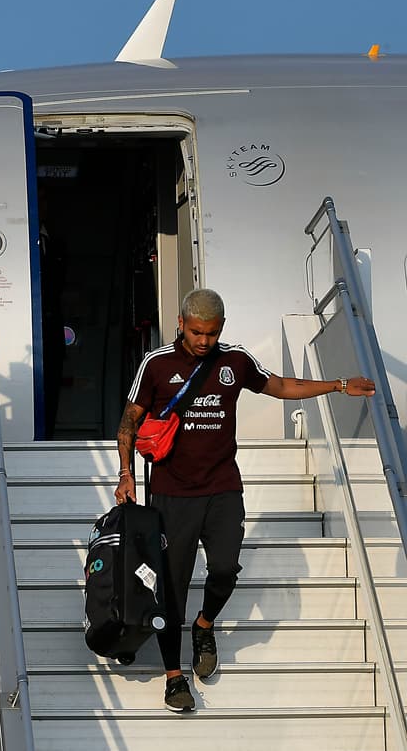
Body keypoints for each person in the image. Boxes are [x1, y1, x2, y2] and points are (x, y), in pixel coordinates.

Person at [114, 288, 375, 713]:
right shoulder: (157, 364)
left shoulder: (233, 360)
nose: (204, 341)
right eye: (197, 332)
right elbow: (129, 422)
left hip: (222, 488)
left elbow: (280, 385)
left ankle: (204, 625)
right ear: (181, 324)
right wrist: (125, 473)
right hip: (171, 493)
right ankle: (173, 676)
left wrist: (339, 385)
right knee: (172, 585)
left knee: (224, 568)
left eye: (212, 333)